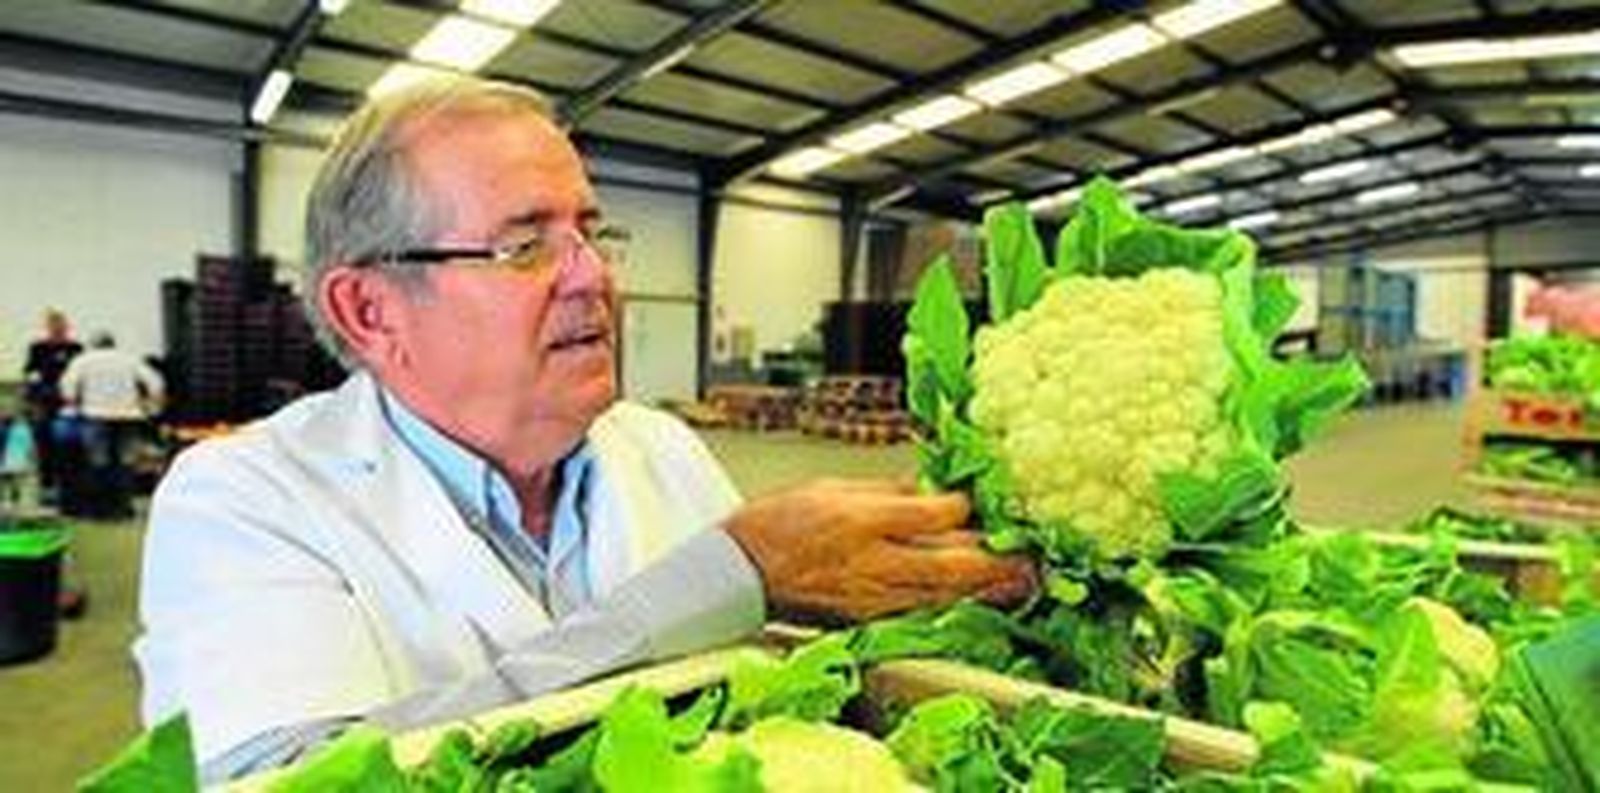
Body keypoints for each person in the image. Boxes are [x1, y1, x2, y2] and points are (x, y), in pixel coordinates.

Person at [135, 77, 1035, 780]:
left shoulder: (658, 446)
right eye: (524, 244)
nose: (592, 277)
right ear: (370, 309)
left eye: (592, 234)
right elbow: (298, 782)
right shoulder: (244, 499)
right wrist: (737, 574)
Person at [57, 330, 165, 519]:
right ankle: (123, 508)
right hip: (128, 417)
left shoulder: (84, 360)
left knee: (98, 463)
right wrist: (149, 406)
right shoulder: (129, 359)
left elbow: (67, 386)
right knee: (126, 463)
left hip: (95, 416)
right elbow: (155, 382)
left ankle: (100, 510)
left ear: (94, 345)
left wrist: (73, 402)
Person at [22, 309, 83, 504]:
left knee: (70, 449)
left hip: (70, 405)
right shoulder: (38, 348)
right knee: (45, 447)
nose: (58, 329)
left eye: (61, 325)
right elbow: (30, 373)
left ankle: (70, 488)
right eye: (53, 325)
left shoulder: (75, 349)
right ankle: (47, 487)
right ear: (48, 328)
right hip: (46, 404)